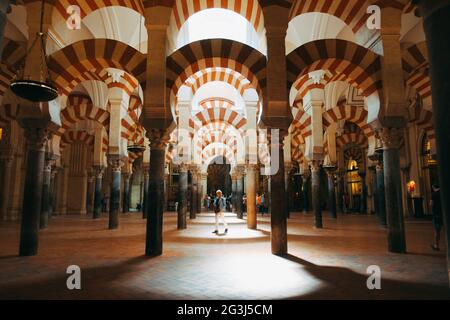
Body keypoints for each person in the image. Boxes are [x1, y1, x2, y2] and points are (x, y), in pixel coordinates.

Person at [430, 184, 443, 251]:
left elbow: (431, 204)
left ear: (433, 187)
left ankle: (436, 245)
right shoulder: (443, 193)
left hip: (437, 214)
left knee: (437, 231)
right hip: (443, 214)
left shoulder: (434, 194)